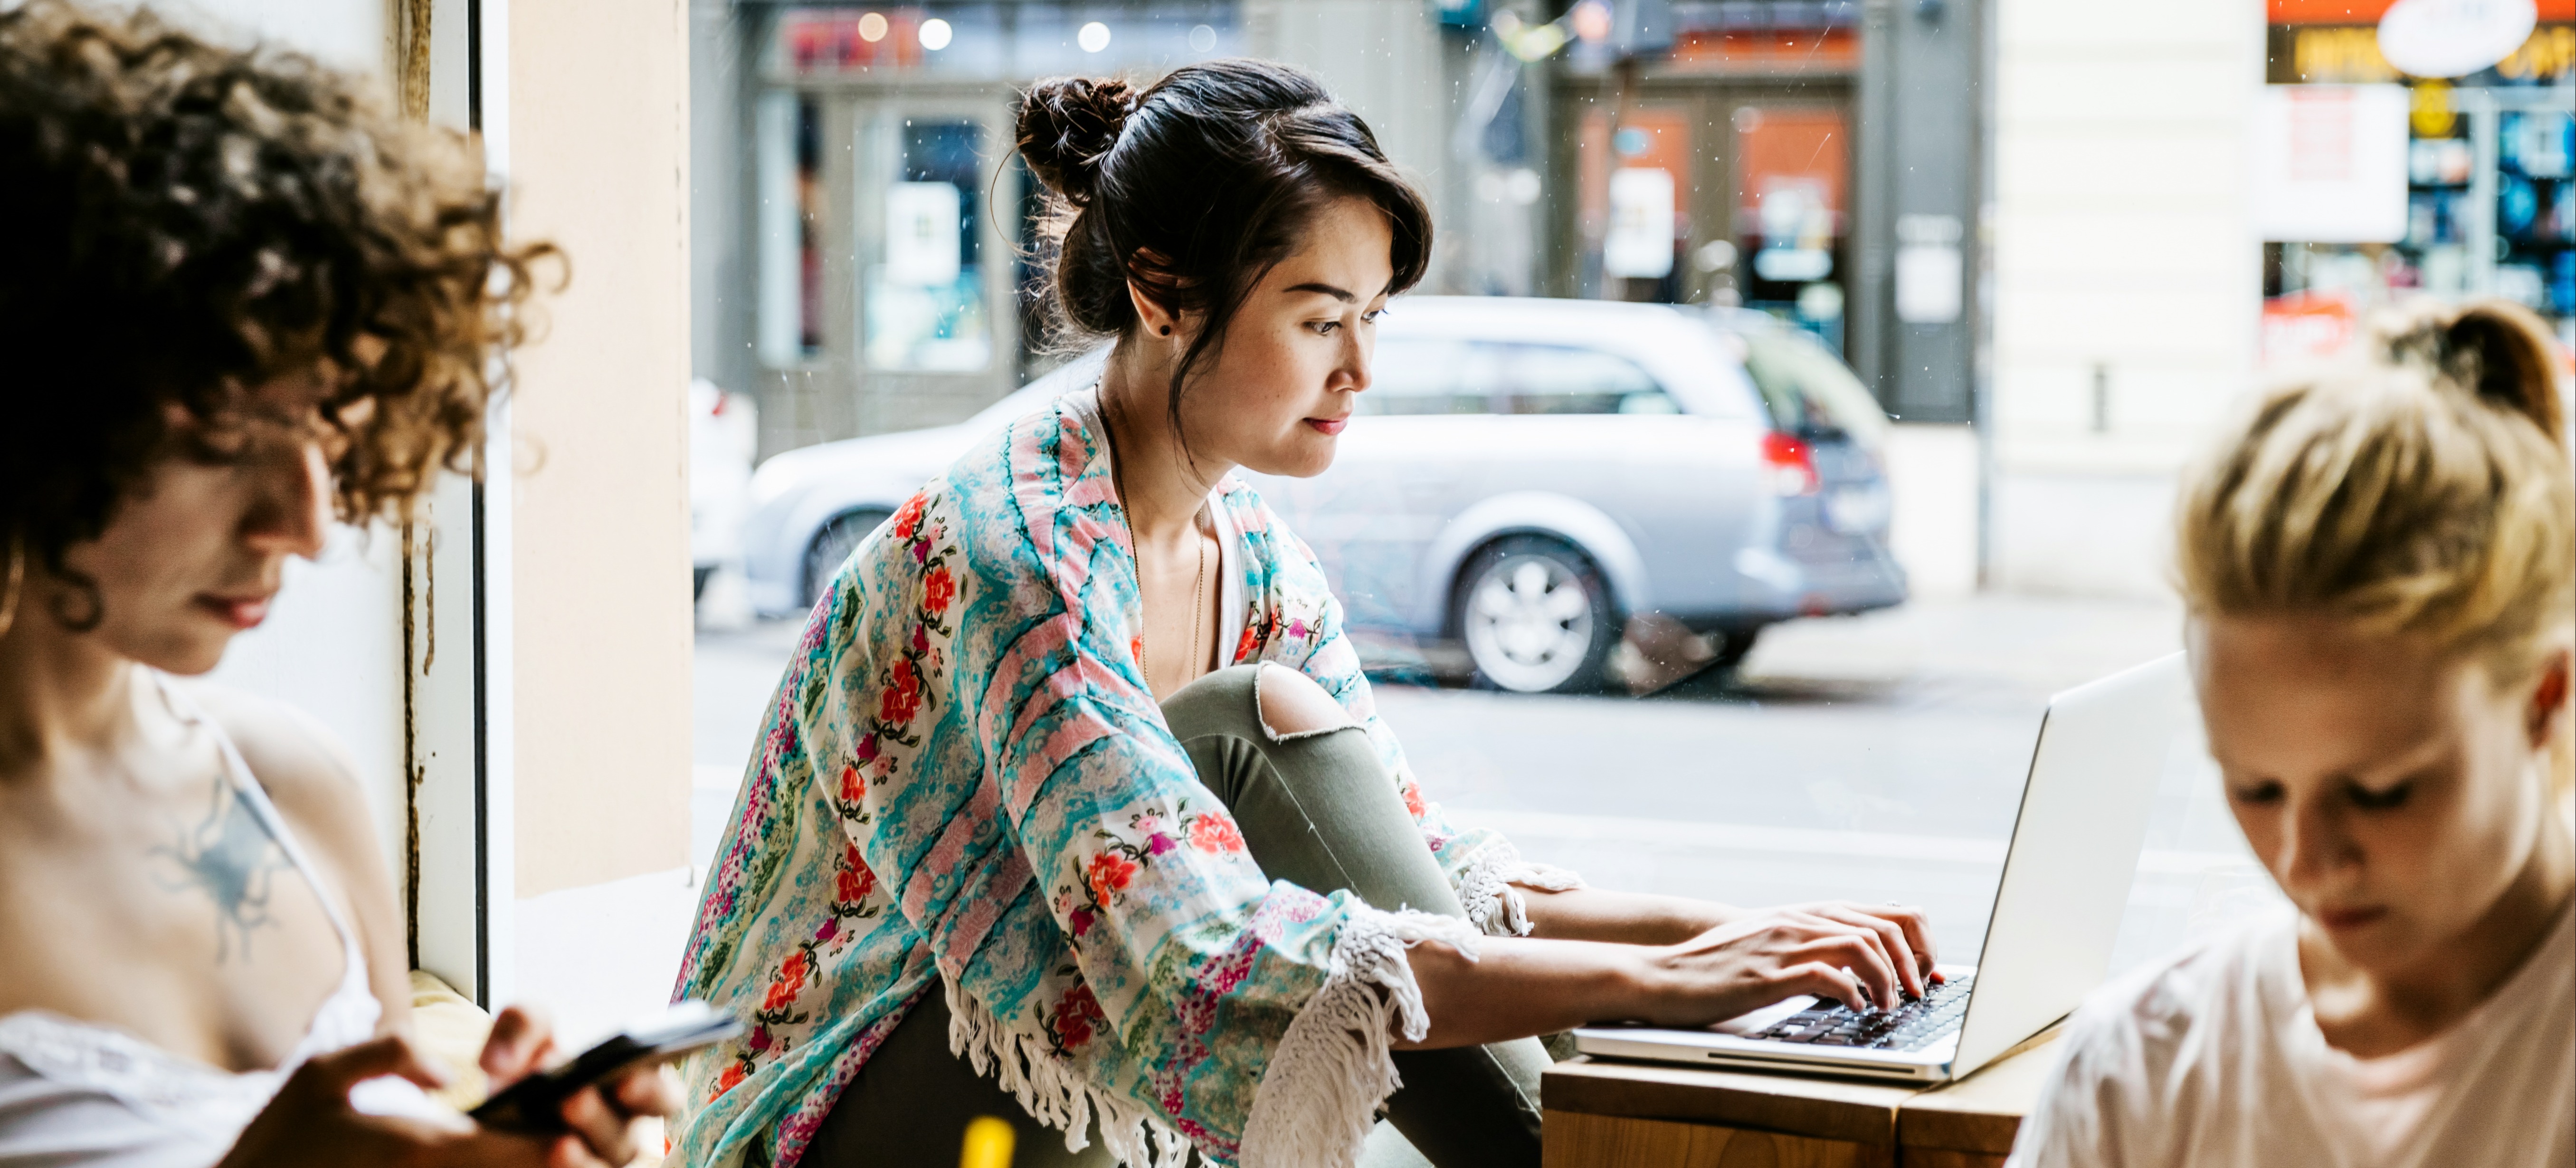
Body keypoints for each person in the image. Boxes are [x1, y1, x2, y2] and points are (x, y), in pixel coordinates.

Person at [673, 59, 1941, 1168]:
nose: (1363, 370)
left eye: (1374, 318)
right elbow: (1192, 955)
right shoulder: (1022, 555)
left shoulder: (1254, 558)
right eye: (1322, 318)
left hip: (1047, 1082)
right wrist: (1669, 984)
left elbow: (1408, 868)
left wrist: (1727, 932)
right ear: (1165, 294)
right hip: (836, 1107)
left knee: (1267, 738)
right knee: (1250, 727)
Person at [0, 4, 678, 1165]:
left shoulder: (293, 785)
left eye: (327, 421)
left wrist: (495, 1143)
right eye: (219, 432)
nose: (306, 522)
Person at [2006, 300, 2575, 1168]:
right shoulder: (2141, 1071)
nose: (2307, 864)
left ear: (2544, 696)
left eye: (2381, 791)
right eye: (2254, 787)